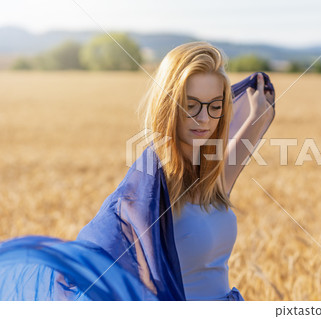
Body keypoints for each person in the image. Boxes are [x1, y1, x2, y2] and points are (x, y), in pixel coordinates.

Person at [0, 41, 276, 301]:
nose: (203, 119)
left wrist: (256, 117)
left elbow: (231, 161)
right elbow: (102, 259)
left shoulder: (210, 182)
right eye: (190, 106)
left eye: (215, 107)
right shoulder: (148, 189)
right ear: (169, 105)